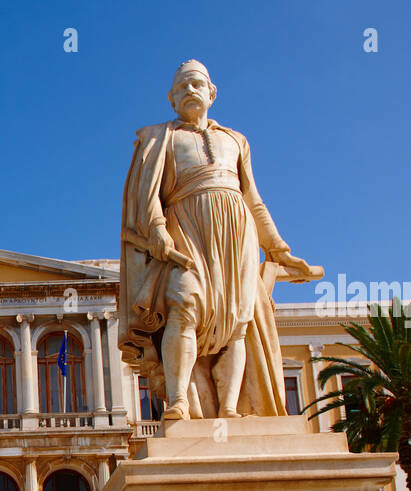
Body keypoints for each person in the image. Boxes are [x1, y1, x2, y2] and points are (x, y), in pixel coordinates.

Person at [119, 60, 319, 419]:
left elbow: (253, 199)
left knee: (236, 321)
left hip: (236, 236)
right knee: (184, 304)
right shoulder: (159, 138)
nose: (190, 91)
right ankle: (180, 401)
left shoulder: (235, 140)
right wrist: (158, 230)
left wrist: (279, 249)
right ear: (171, 98)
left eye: (197, 84)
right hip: (187, 231)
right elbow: (145, 195)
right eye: (182, 87)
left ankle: (229, 409)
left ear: (212, 93)